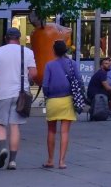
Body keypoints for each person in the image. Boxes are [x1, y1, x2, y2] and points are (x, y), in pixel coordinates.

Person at [0, 27, 39, 170]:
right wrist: (28, 79)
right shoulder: (27, 52)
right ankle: (12, 161)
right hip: (20, 94)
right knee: (15, 126)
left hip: (2, 93)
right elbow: (34, 73)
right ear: (19, 38)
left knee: (0, 124)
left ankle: (2, 148)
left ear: (6, 38)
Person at [41, 40, 78, 170]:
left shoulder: (49, 65)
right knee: (65, 132)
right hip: (67, 100)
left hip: (52, 100)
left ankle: (50, 160)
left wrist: (48, 96)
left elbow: (45, 85)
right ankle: (62, 161)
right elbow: (78, 81)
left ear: (53, 51)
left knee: (51, 130)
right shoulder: (73, 64)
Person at [86, 56, 111, 120]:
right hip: (95, 94)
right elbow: (107, 88)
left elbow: (107, 87)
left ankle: (108, 111)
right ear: (101, 66)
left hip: (97, 92)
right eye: (106, 64)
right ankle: (109, 112)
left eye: (109, 63)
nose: (109, 65)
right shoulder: (102, 73)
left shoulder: (102, 73)